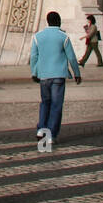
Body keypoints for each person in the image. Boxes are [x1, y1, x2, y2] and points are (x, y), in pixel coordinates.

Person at [29, 10, 81, 150]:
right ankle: (51, 134)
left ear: (47, 21)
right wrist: (77, 73)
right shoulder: (63, 37)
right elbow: (71, 58)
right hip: (58, 76)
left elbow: (33, 57)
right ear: (58, 21)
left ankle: (41, 128)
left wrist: (34, 72)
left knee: (45, 103)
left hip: (44, 76)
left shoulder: (37, 37)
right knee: (56, 105)